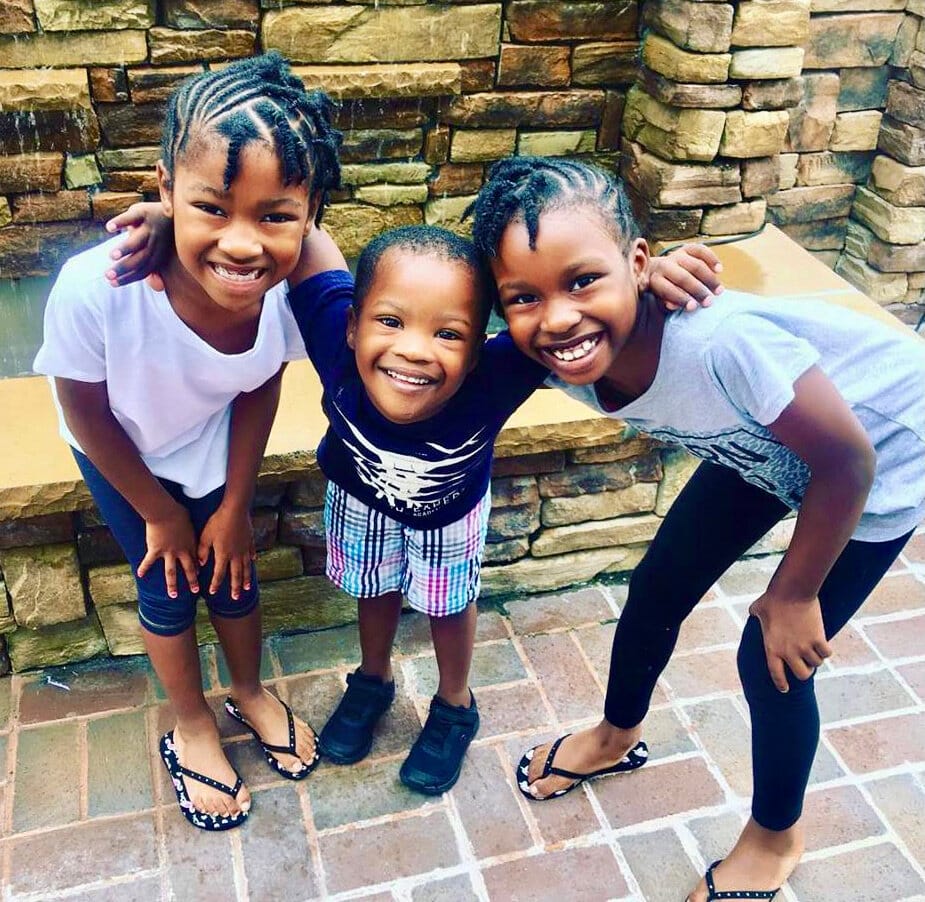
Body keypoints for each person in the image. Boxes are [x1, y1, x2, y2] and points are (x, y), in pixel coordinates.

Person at [467, 156, 925, 901]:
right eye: (523, 296)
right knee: (656, 588)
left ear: (636, 263)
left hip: (880, 448)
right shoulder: (547, 355)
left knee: (769, 658)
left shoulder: (715, 343)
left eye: (583, 280)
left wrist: (792, 594)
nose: (557, 317)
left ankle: (774, 839)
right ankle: (616, 735)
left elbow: (846, 461)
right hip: (770, 440)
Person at [33, 52, 343, 831]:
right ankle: (192, 721)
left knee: (233, 573)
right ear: (165, 190)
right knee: (167, 582)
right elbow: (85, 411)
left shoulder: (286, 290)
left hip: (209, 437)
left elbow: (261, 380)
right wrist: (160, 515)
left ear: (310, 217)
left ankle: (248, 691)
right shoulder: (96, 288)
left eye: (274, 216)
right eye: (212, 208)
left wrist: (235, 504)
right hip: (120, 449)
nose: (242, 245)